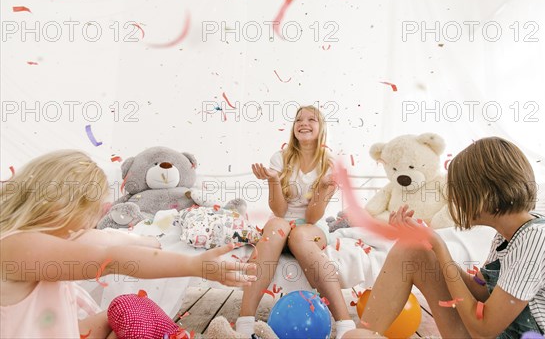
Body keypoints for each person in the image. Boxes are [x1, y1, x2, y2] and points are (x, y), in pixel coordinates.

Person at [344, 137, 545, 338]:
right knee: (412, 252)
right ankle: (367, 331)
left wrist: (440, 249)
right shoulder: (510, 235)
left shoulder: (536, 241)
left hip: (498, 332)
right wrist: (428, 244)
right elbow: (481, 292)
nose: (454, 201)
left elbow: (483, 329)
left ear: (484, 194)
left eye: (458, 192)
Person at [0, 150, 256, 339]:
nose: (95, 219)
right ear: (62, 206)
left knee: (132, 307)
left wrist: (146, 241)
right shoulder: (16, 248)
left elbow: (107, 241)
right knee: (131, 312)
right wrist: (193, 265)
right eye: (91, 210)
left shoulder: (44, 241)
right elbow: (111, 259)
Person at [235, 105, 356, 338]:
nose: (304, 123)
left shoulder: (329, 164)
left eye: (312, 119)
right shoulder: (280, 158)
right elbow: (279, 211)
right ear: (293, 128)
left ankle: (345, 325)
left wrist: (321, 187)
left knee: (299, 234)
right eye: (299, 119)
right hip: (281, 221)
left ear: (322, 128)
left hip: (311, 227)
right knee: (277, 227)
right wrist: (272, 180)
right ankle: (245, 322)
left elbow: (312, 217)